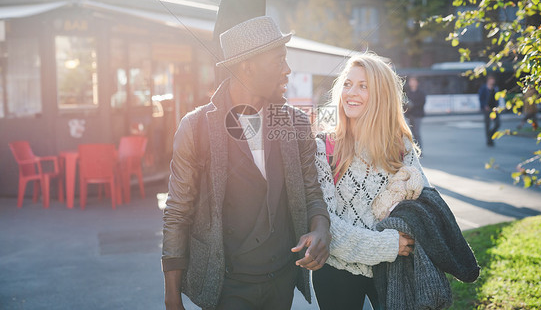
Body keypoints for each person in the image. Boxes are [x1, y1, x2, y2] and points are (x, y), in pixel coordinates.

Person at [161, 16, 331, 310]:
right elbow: (178, 211)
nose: (288, 69)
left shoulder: (295, 123)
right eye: (279, 60)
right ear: (247, 67)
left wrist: (320, 229)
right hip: (226, 286)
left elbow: (312, 192)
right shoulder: (195, 127)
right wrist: (172, 295)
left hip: (281, 281)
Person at [312, 53, 431, 310]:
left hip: (393, 273)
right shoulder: (325, 146)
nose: (351, 93)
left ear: (382, 94)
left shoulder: (401, 145)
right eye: (347, 83)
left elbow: (425, 207)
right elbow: (326, 225)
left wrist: (415, 183)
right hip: (337, 274)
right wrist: (388, 245)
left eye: (363, 86)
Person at [404, 76, 426, 150]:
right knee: (410, 134)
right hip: (409, 115)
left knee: (417, 133)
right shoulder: (407, 92)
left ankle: (419, 149)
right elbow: (404, 103)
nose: (412, 83)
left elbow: (422, 103)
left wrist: (412, 105)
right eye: (411, 81)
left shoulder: (421, 92)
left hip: (417, 115)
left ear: (417, 83)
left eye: (413, 81)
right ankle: (413, 150)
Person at [478, 75, 501, 146]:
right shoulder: (484, 88)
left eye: (493, 80)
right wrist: (484, 106)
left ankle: (490, 135)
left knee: (497, 124)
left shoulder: (495, 88)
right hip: (487, 109)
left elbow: (497, 98)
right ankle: (489, 140)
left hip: (494, 109)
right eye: (491, 79)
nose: (492, 81)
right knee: (487, 125)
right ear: (488, 80)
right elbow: (481, 98)